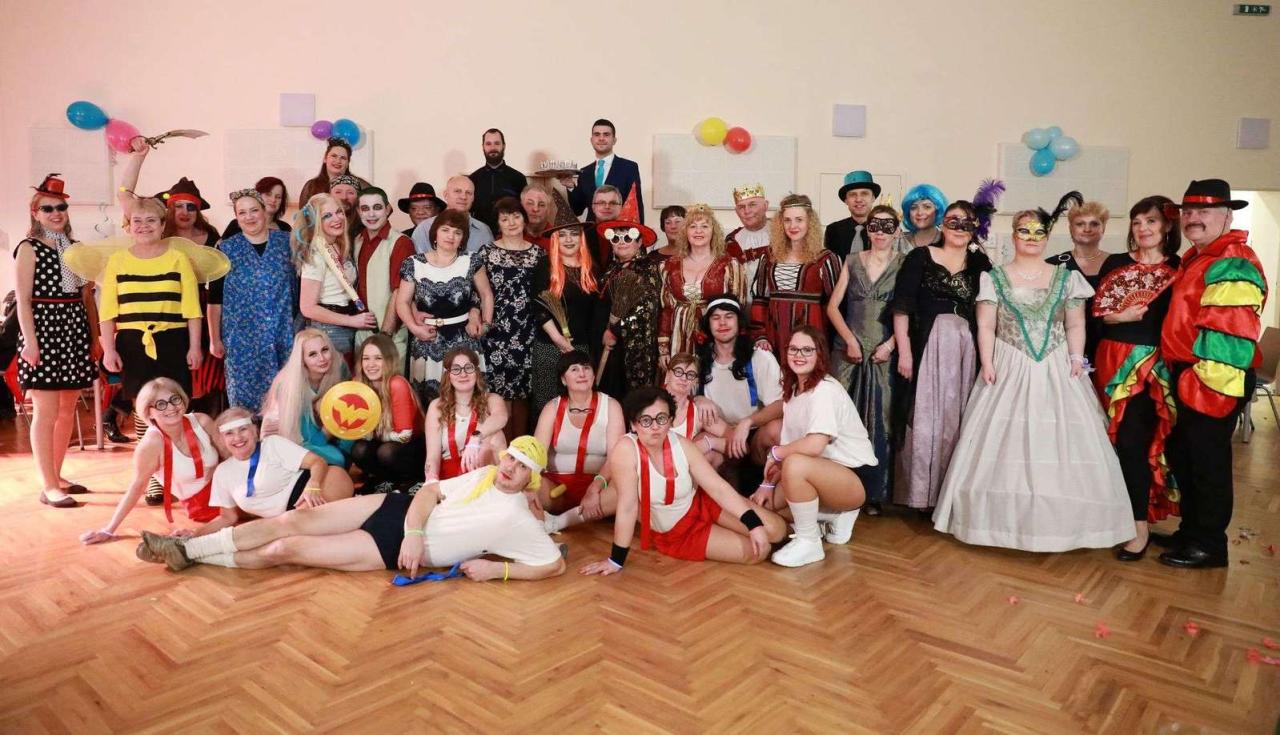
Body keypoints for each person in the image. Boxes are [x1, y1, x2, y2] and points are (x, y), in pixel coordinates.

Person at [932, 209, 1134, 552]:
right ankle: (1002, 526)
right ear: (1014, 235)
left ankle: (1062, 526)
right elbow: (986, 325)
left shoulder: (1066, 278)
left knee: (1060, 444)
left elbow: (1075, 323)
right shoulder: (994, 277)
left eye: (1038, 232)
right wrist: (987, 361)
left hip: (1057, 367)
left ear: (1047, 237)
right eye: (1024, 231)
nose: (1031, 237)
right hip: (1009, 364)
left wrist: (1075, 358)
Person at [137, 436, 566, 584]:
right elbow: (430, 492)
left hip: (390, 548)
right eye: (510, 458)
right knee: (292, 520)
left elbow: (553, 565)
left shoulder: (518, 518)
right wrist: (415, 532)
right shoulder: (485, 474)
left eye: (522, 467)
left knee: (286, 548)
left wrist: (497, 570)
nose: (510, 468)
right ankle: (189, 550)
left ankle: (188, 555)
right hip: (397, 511)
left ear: (532, 478)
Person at [1156, 179, 1268, 568]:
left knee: (1208, 463)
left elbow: (1229, 333)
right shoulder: (1197, 257)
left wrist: (1204, 385)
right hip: (1189, 374)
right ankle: (1191, 531)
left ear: (1226, 216)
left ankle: (1209, 545)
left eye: (1204, 211)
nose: (1193, 218)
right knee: (1185, 457)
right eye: (1188, 212)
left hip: (1213, 377)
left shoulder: (1232, 260)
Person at [578, 386, 786, 573]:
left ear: (670, 421)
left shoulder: (682, 445)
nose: (655, 427)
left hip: (702, 503)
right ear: (633, 425)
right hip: (679, 533)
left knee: (776, 530)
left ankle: (796, 535)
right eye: (646, 420)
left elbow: (718, 488)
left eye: (661, 418)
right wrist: (616, 560)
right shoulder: (625, 451)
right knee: (757, 552)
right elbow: (627, 507)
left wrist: (753, 526)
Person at [1092, 195, 1182, 561]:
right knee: (1107, 443)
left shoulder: (1178, 267)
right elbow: (1098, 315)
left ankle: (1139, 526)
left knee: (1134, 442)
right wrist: (1120, 316)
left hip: (1150, 368)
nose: (1143, 228)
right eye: (1137, 222)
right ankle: (1113, 515)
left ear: (1167, 226)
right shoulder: (1115, 263)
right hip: (1110, 360)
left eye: (1151, 221)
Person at [889, 200, 992, 512]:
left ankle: (950, 496)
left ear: (975, 229)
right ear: (943, 224)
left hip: (966, 352)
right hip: (926, 347)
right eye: (953, 221)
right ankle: (922, 495)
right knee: (924, 418)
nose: (959, 228)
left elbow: (990, 311)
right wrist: (904, 352)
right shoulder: (920, 257)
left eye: (966, 223)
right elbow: (902, 308)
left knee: (957, 420)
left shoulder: (980, 264)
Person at [749, 327, 872, 567]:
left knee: (794, 464)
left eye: (807, 350)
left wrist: (775, 453)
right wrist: (766, 485)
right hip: (817, 473)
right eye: (794, 349)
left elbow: (814, 446)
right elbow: (791, 446)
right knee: (764, 508)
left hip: (850, 478)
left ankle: (810, 541)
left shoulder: (824, 390)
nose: (799, 355)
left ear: (820, 354)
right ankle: (827, 517)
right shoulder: (795, 389)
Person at [15, 175, 97, 508]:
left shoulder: (75, 250)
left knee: (67, 409)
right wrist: (30, 342)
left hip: (73, 330)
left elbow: (87, 297)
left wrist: (93, 338)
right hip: (44, 330)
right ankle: (48, 485)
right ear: (36, 213)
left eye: (60, 207)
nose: (56, 213)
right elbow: (23, 300)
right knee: (46, 412)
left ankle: (57, 474)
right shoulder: (28, 248)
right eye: (48, 208)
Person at [827, 204, 903, 513]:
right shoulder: (852, 260)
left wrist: (892, 345)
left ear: (897, 231)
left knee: (880, 419)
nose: (880, 232)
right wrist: (849, 340)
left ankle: (872, 493)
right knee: (841, 418)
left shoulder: (905, 263)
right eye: (875, 226)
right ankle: (836, 490)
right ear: (867, 229)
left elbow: (910, 311)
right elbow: (833, 307)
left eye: (887, 226)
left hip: (883, 352)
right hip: (849, 350)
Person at [80, 378, 224, 542]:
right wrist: (108, 530)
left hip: (227, 485)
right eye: (160, 404)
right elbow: (137, 487)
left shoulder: (201, 420)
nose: (171, 407)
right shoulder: (151, 445)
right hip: (204, 504)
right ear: (148, 412)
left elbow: (228, 456)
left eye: (175, 399)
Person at [208, 189, 295, 412]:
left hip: (282, 334)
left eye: (254, 210)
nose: (249, 217)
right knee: (244, 403)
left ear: (264, 211)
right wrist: (214, 339)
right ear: (236, 217)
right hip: (241, 339)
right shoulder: (225, 249)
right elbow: (214, 300)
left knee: (285, 400)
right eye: (242, 212)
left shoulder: (287, 243)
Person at [396, 209, 494, 397]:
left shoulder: (472, 260)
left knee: (469, 398)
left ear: (463, 238)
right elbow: (402, 302)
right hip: (427, 339)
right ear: (435, 233)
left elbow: (486, 295)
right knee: (428, 399)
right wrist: (414, 328)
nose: (451, 236)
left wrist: (486, 325)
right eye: (446, 230)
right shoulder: (413, 263)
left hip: (464, 340)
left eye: (457, 232)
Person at [206, 406, 355, 527]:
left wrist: (313, 485)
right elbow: (227, 518)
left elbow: (317, 462)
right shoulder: (222, 471)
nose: (238, 437)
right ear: (221, 440)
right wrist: (197, 534)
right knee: (289, 530)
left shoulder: (272, 444)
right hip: (288, 519)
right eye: (229, 433)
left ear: (254, 431)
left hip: (325, 481)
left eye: (243, 429)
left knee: (294, 526)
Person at [528, 196, 606, 418]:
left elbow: (596, 313)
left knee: (577, 402)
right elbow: (539, 307)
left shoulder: (593, 269)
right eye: (562, 235)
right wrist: (558, 339)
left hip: (581, 347)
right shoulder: (545, 266)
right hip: (550, 346)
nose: (569, 239)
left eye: (574, 234)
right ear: (555, 239)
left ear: (581, 237)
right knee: (547, 404)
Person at [694, 296, 784, 485]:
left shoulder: (760, 357)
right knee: (700, 444)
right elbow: (679, 397)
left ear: (739, 321)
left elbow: (779, 405)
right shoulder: (700, 360)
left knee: (778, 429)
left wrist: (747, 422)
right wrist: (698, 399)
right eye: (716, 318)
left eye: (729, 316)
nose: (722, 323)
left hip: (754, 433)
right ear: (708, 325)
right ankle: (717, 494)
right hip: (722, 433)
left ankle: (773, 488)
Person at [478, 197, 546, 435]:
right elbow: (478, 292)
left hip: (529, 329)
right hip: (496, 331)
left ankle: (521, 446)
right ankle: (501, 447)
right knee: (499, 392)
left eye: (516, 216)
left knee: (524, 392)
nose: (511, 223)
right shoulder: (487, 253)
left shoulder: (538, 254)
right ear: (498, 224)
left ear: (524, 220)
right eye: (504, 219)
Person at [749, 194, 841, 358]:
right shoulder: (769, 256)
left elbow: (834, 305)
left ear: (810, 222)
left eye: (799, 220)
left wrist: (828, 341)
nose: (793, 226)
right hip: (774, 336)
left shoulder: (826, 259)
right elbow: (760, 299)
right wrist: (760, 335)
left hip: (811, 335)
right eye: (787, 220)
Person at [535, 351, 624, 519]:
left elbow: (616, 457)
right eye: (574, 369)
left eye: (586, 368)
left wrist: (594, 488)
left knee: (628, 488)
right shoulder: (552, 407)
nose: (582, 374)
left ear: (594, 375)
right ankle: (573, 519)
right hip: (557, 487)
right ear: (563, 379)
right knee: (526, 485)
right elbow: (536, 453)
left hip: (599, 487)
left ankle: (562, 521)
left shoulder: (611, 406)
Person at [657, 204, 746, 368]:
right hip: (679, 338)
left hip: (715, 337)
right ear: (685, 232)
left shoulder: (728, 265)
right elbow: (667, 309)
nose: (698, 231)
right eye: (693, 226)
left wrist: (736, 345)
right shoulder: (670, 266)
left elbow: (738, 308)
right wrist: (663, 348)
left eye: (704, 226)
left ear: (713, 231)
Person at [293, 193, 376, 364]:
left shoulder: (339, 245)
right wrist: (351, 321)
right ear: (315, 222)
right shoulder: (316, 254)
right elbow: (307, 308)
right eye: (327, 216)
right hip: (330, 331)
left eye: (339, 212)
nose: (337, 219)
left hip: (347, 326)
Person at [260, 329, 351, 467]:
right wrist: (331, 425)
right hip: (288, 437)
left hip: (319, 430)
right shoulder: (292, 387)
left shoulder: (338, 365)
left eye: (325, 350)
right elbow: (314, 440)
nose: (322, 358)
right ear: (302, 360)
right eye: (312, 354)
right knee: (338, 458)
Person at [596, 214, 663, 396]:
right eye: (616, 238)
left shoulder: (647, 268)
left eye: (627, 238)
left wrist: (614, 330)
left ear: (639, 242)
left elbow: (647, 309)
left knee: (629, 396)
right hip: (606, 344)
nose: (621, 242)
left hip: (631, 346)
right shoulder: (612, 268)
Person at [349, 335, 424, 490]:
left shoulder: (397, 384)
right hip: (383, 441)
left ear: (389, 360)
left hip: (411, 446)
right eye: (366, 358)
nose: (371, 364)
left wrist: (372, 434)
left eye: (378, 358)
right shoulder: (357, 383)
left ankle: (408, 482)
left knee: (386, 452)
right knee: (359, 450)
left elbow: (404, 436)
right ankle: (381, 481)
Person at [425, 346, 507, 482]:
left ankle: (500, 486)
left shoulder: (491, 399)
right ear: (448, 375)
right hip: (450, 479)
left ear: (477, 372)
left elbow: (501, 418)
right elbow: (432, 457)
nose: (463, 374)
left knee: (495, 435)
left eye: (468, 368)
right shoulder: (436, 406)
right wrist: (431, 481)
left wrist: (476, 438)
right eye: (456, 369)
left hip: (481, 473)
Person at [353, 187, 415, 357]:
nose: (371, 214)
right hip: (361, 333)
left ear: (387, 209)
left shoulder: (401, 243)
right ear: (358, 212)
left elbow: (399, 291)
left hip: (390, 336)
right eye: (365, 208)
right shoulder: (357, 241)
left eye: (377, 207)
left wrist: (385, 335)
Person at [1044, 196, 1104, 362]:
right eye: (1080, 224)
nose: (1087, 229)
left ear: (1103, 228)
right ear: (1070, 228)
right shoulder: (1053, 265)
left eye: (1094, 224)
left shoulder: (1117, 263)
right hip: (1066, 348)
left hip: (1107, 345)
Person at [567, 118, 644, 223]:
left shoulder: (629, 168)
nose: (601, 138)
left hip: (618, 230)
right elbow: (577, 210)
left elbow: (636, 207)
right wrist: (570, 186)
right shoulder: (584, 172)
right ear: (592, 140)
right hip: (591, 231)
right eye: (597, 134)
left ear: (614, 140)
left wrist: (637, 232)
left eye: (606, 134)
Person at [662, 353, 728, 466]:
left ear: (695, 381)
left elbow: (739, 444)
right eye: (678, 372)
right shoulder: (648, 403)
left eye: (690, 374)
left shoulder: (699, 411)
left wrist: (710, 443)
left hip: (683, 470)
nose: (684, 378)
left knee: (714, 456)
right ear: (667, 375)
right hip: (649, 468)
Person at [410, 175, 495, 255]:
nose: (463, 197)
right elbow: (416, 263)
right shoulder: (423, 229)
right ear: (446, 195)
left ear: (473, 198)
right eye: (457, 191)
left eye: (468, 193)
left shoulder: (484, 231)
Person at [469, 128, 528, 233]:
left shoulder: (518, 178)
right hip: (480, 235)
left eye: (497, 143)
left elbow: (524, 212)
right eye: (488, 144)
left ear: (503, 146)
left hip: (510, 234)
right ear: (483, 147)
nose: (493, 148)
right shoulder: (472, 179)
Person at [725, 183, 771, 291]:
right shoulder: (732, 240)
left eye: (752, 205)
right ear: (736, 211)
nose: (747, 211)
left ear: (766, 206)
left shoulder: (783, 235)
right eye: (741, 207)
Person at [824, 170, 879, 260]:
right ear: (846, 200)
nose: (858, 199)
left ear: (873, 198)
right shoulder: (833, 230)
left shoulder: (883, 230)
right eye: (853, 195)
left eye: (864, 194)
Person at [298, 137, 368, 208]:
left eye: (343, 158)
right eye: (334, 156)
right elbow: (303, 213)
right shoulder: (311, 186)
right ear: (325, 159)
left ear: (348, 163)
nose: (338, 161)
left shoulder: (359, 184)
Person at [221, 177, 292, 238]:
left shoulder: (285, 228)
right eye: (268, 194)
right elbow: (219, 249)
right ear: (257, 195)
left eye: (278, 197)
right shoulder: (236, 225)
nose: (273, 200)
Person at [897, 184, 947, 252]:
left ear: (938, 211)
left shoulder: (947, 241)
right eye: (914, 208)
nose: (920, 213)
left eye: (927, 207)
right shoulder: (898, 241)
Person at [584, 184, 624, 266]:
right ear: (593, 207)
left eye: (613, 203)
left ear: (621, 207)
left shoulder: (632, 235)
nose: (607, 206)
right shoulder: (582, 235)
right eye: (601, 203)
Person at [519, 183, 555, 250]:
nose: (535, 209)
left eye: (541, 205)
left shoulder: (559, 240)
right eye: (530, 203)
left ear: (549, 209)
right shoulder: (508, 237)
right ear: (521, 207)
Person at [328, 174, 362, 238]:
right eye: (338, 192)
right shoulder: (319, 223)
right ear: (329, 195)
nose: (344, 197)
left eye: (350, 193)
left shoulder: (365, 225)